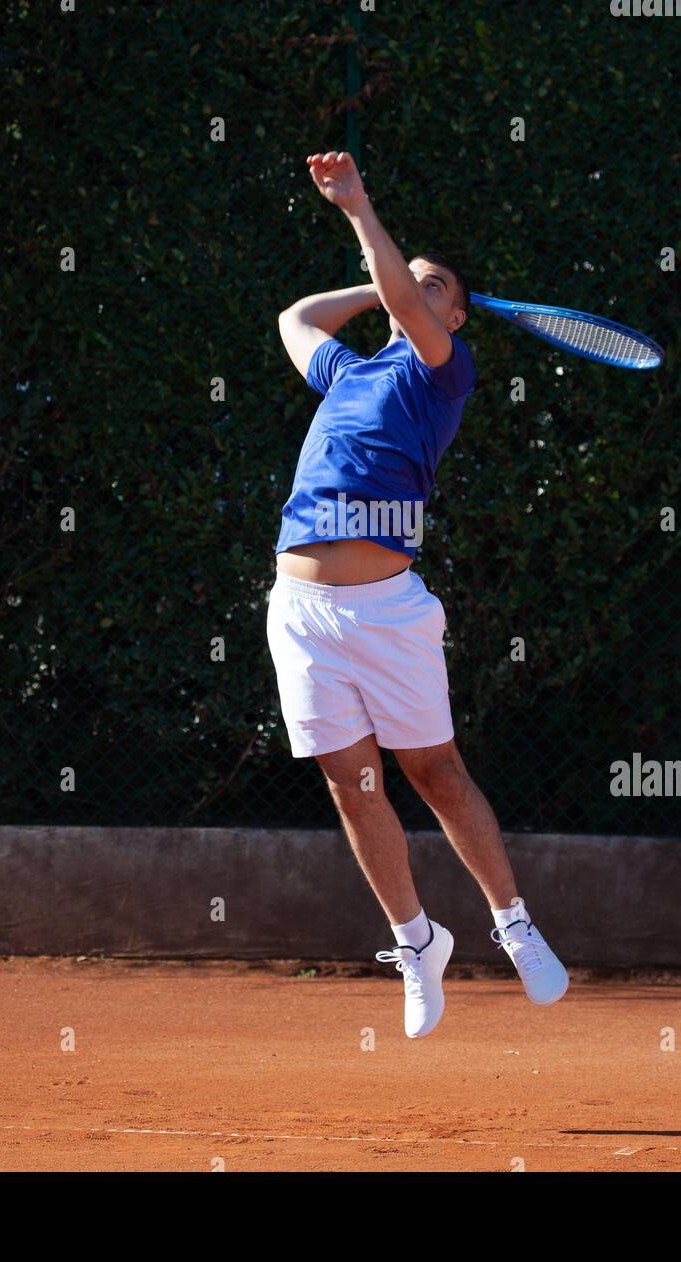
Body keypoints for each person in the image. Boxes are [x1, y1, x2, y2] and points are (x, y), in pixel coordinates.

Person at [267, 150, 569, 1037]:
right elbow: (295, 317)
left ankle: (512, 925)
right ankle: (416, 941)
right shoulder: (351, 373)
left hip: (390, 611)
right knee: (351, 782)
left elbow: (407, 305)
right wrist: (374, 280)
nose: (416, 291)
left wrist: (364, 215)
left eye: (437, 288)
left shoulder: (446, 369)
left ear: (460, 318)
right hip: (301, 611)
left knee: (434, 773)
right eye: (415, 281)